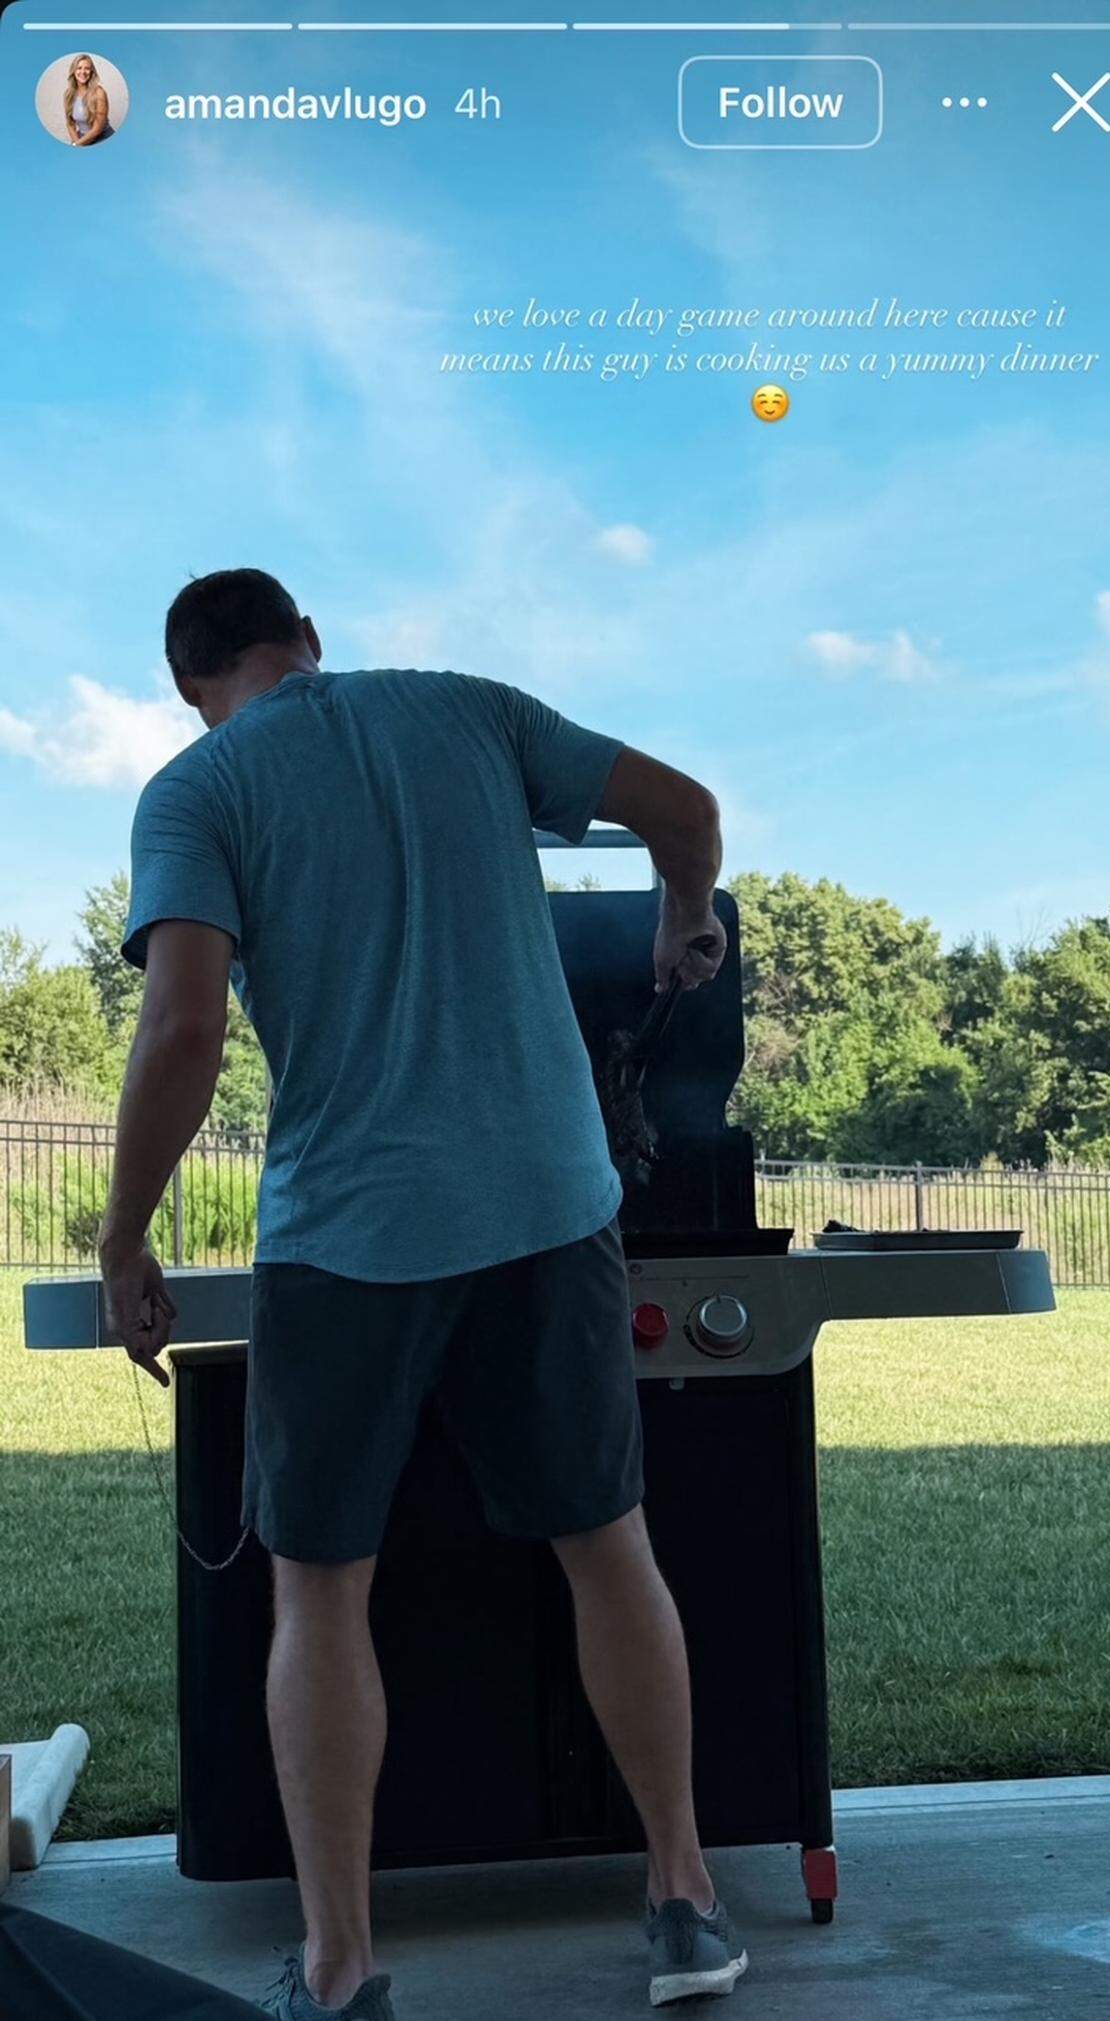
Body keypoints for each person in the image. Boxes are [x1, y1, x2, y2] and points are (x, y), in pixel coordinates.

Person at [98, 568, 747, 2019]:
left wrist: (126, 1235)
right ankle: (687, 1899)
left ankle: (342, 1969)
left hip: (348, 1233)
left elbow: (186, 1024)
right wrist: (681, 918)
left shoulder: (197, 791)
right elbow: (688, 810)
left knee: (321, 1591)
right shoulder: (472, 712)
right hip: (549, 1203)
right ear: (310, 641)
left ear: (193, 687)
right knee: (609, 1545)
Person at [64, 53, 114, 145]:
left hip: (103, 139)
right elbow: (70, 124)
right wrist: (76, 142)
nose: (83, 72)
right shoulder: (68, 94)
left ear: (91, 72)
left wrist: (77, 145)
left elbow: (97, 129)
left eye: (87, 68)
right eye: (79, 68)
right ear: (73, 71)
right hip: (81, 139)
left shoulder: (99, 93)